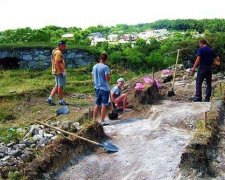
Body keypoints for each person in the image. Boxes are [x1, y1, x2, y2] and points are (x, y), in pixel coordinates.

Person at [46, 40, 68, 106]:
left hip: (55, 71)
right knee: (60, 86)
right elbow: (57, 62)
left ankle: (50, 98)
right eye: (64, 46)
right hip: (59, 71)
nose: (65, 47)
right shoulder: (58, 52)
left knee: (57, 85)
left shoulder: (54, 51)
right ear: (60, 46)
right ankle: (61, 100)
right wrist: (61, 71)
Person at [92, 53, 110, 126]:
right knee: (104, 105)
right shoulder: (105, 67)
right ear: (106, 59)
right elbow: (107, 78)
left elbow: (92, 76)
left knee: (97, 104)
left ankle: (93, 120)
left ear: (100, 58)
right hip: (104, 88)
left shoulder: (94, 66)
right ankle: (102, 121)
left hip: (97, 88)